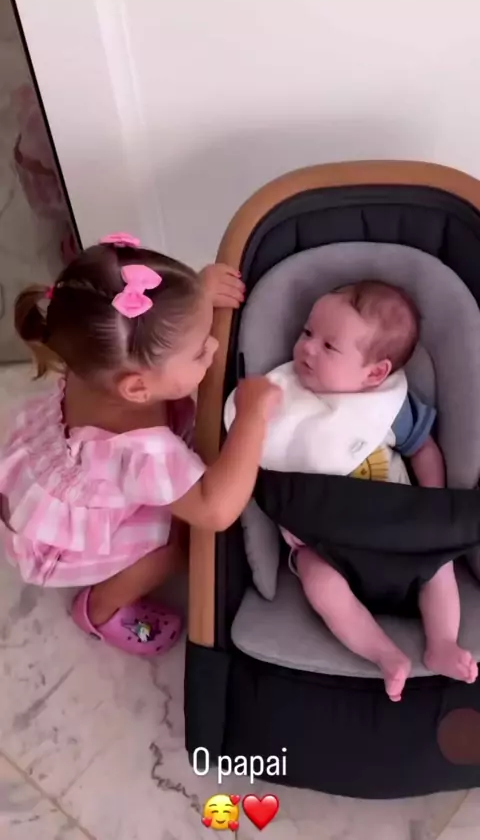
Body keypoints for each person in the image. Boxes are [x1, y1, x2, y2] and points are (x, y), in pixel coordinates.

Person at [0, 232, 281, 656]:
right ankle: (101, 609)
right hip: (60, 544)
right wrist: (252, 417)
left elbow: (149, 329)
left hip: (47, 487)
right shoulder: (141, 452)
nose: (213, 346)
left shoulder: (98, 354)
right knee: (172, 548)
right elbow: (216, 509)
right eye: (198, 352)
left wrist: (195, 300)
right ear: (137, 388)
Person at [226, 280, 477, 701]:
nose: (307, 348)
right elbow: (249, 453)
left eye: (329, 346)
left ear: (375, 373)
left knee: (441, 565)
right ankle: (382, 652)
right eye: (307, 332)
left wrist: (432, 503)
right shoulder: (281, 398)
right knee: (316, 577)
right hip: (327, 543)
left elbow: (424, 450)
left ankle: (441, 642)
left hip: (401, 534)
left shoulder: (388, 407)